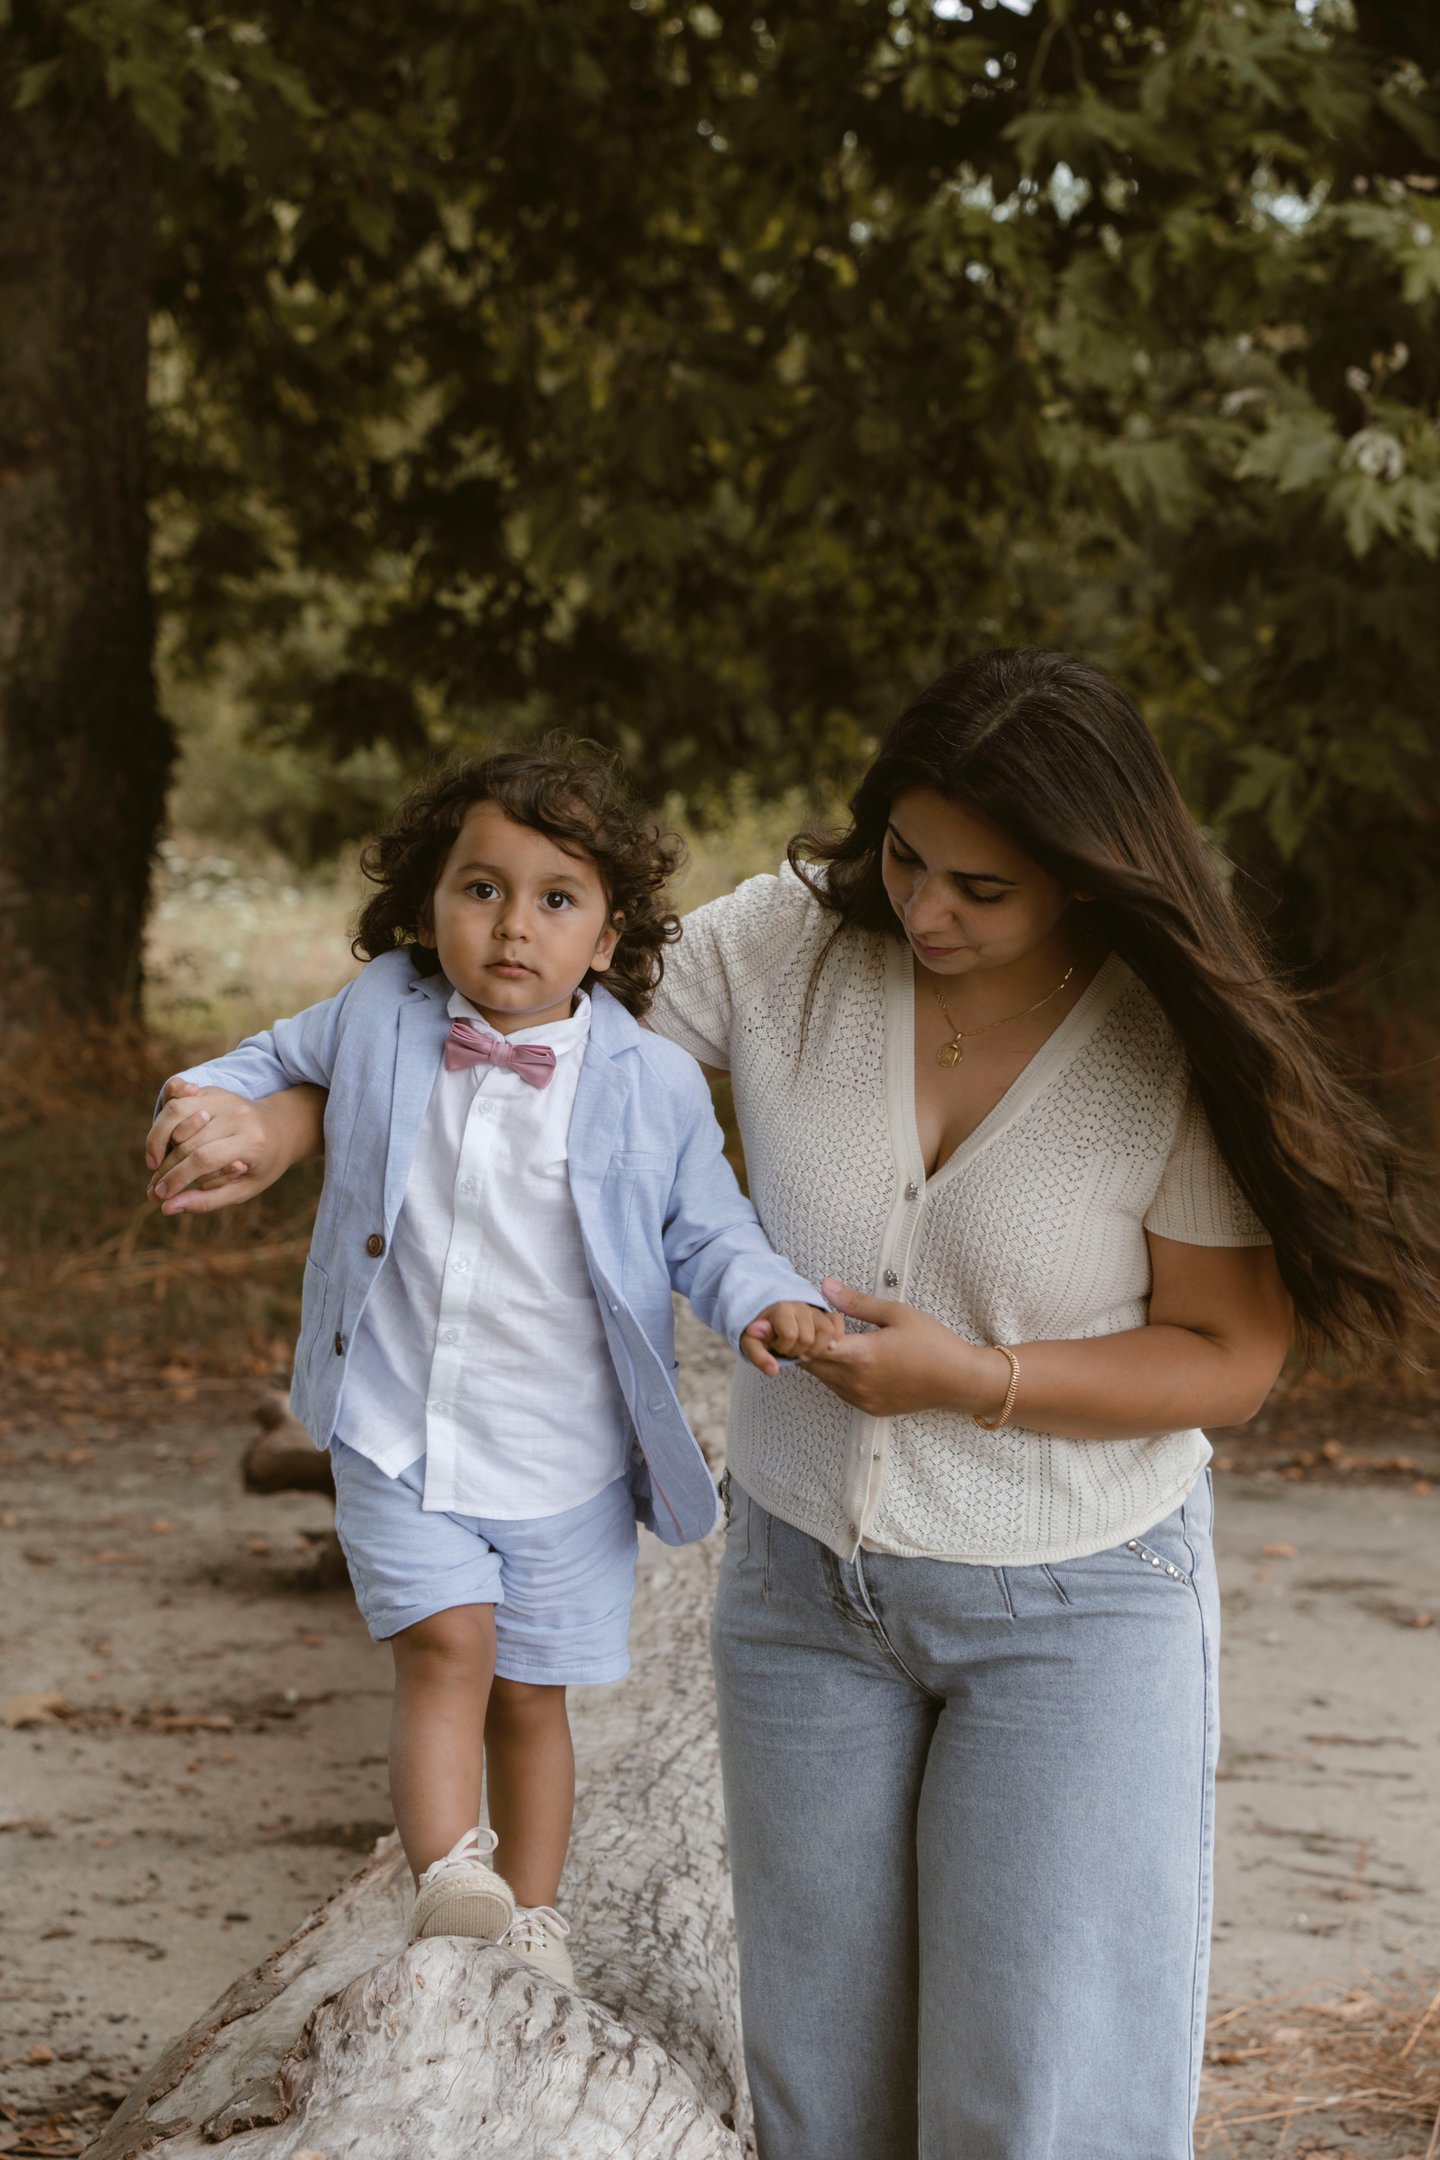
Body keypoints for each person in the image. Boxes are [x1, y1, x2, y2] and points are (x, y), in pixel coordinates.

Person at [148, 652, 1438, 2158]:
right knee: (825, 2107)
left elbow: (1228, 1357)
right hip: (801, 1598)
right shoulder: (787, 941)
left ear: (1088, 877)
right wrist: (276, 1119)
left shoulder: (1160, 1044)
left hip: (1072, 1607)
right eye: (905, 857)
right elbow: (500, 1016)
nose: (926, 911)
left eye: (982, 888)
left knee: (1035, 2110)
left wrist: (976, 1380)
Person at [144, 738, 837, 1990]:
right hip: (398, 1423)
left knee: (530, 1694)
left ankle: (534, 1916)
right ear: (429, 905)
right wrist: (207, 1108)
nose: (515, 925)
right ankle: (448, 1874)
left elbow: (710, 1229)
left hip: (566, 1452)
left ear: (608, 938)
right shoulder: (381, 1012)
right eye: (482, 889)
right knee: (446, 1643)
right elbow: (267, 1063)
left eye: (556, 899)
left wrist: (767, 1300)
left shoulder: (654, 1082)